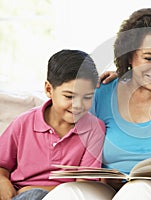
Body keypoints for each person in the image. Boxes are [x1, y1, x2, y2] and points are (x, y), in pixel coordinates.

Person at [43, 8, 151, 200]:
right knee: (70, 194)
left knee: (138, 192)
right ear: (130, 56)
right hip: (115, 190)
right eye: (149, 58)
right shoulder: (101, 93)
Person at [0, 49, 107, 200]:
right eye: (69, 96)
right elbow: (2, 165)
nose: (78, 105)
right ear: (49, 89)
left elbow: (84, 185)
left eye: (87, 97)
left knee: (36, 194)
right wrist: (2, 181)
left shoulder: (94, 129)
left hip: (62, 195)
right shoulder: (24, 122)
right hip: (18, 193)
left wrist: (33, 189)